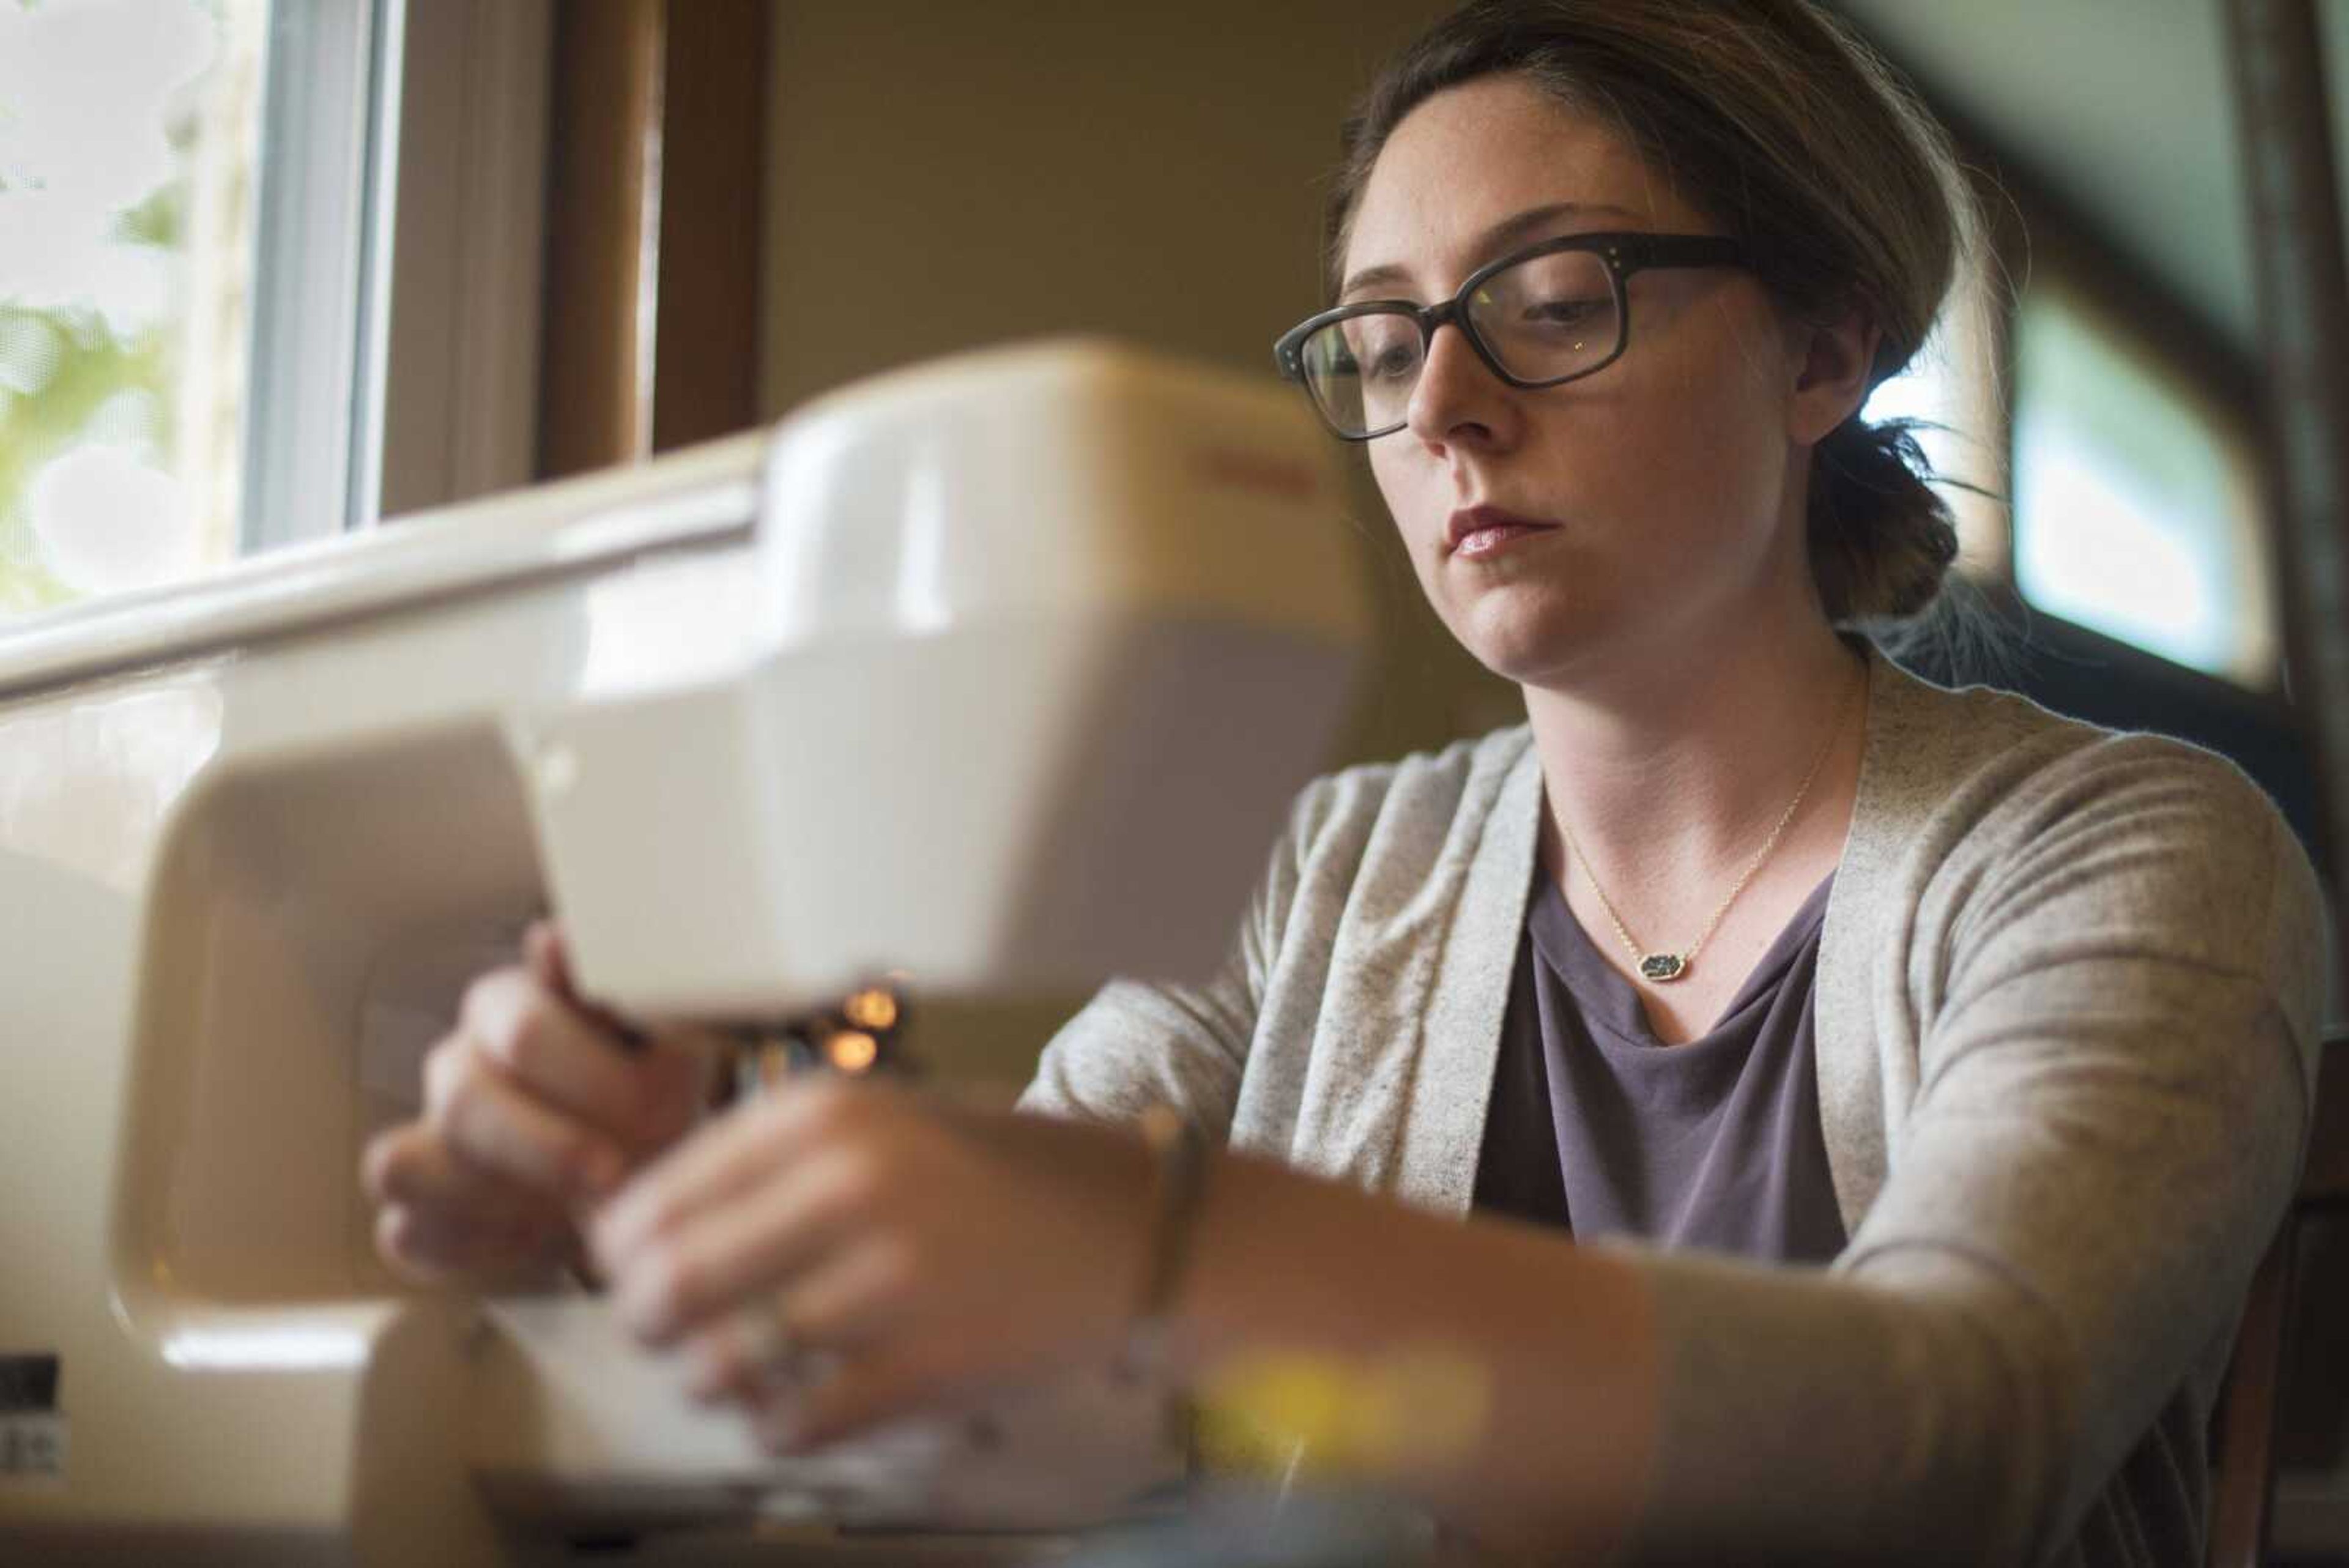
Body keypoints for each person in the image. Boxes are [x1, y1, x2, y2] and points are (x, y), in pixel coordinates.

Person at [362, 1, 2332, 1560]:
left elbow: (1955, 1434)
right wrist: (667, 1201)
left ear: (1822, 348)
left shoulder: (2129, 851)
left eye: (1555, 301)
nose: (1447, 410)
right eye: (1386, 348)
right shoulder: (1314, 870)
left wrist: (1161, 1250)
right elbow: (990, 1383)